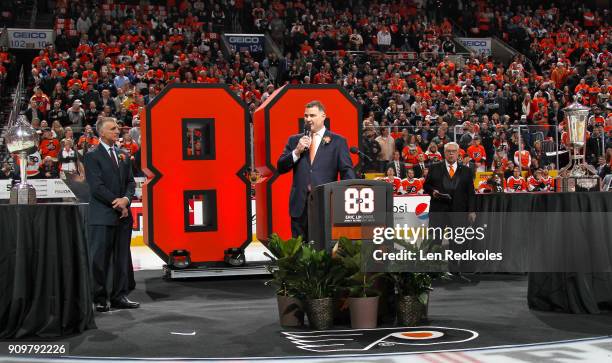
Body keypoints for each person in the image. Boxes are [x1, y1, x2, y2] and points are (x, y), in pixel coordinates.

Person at [277, 100, 355, 241]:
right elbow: (281, 167)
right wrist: (297, 151)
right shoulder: (295, 141)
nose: (308, 119)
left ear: (323, 116)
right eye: (306, 116)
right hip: (299, 206)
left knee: (323, 247)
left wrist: (348, 195)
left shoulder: (338, 141)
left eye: (312, 115)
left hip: (326, 204)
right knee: (299, 250)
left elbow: (346, 171)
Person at [84, 117, 138, 312]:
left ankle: (119, 296)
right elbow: (96, 187)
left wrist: (126, 199)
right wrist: (118, 203)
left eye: (117, 128)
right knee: (99, 259)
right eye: (113, 128)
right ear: (102, 133)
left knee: (121, 258)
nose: (118, 131)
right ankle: (99, 298)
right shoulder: (92, 156)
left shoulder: (123, 154)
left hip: (122, 216)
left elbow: (131, 182)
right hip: (102, 215)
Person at [423, 142, 476, 263]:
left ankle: (454, 270)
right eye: (448, 151)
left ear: (458, 153)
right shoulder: (434, 167)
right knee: (435, 241)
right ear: (444, 153)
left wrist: (471, 210)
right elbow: (426, 185)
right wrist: (433, 191)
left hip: (458, 212)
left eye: (453, 151)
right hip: (438, 211)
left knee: (456, 242)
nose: (451, 153)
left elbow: (471, 193)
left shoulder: (467, 171)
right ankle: (433, 271)